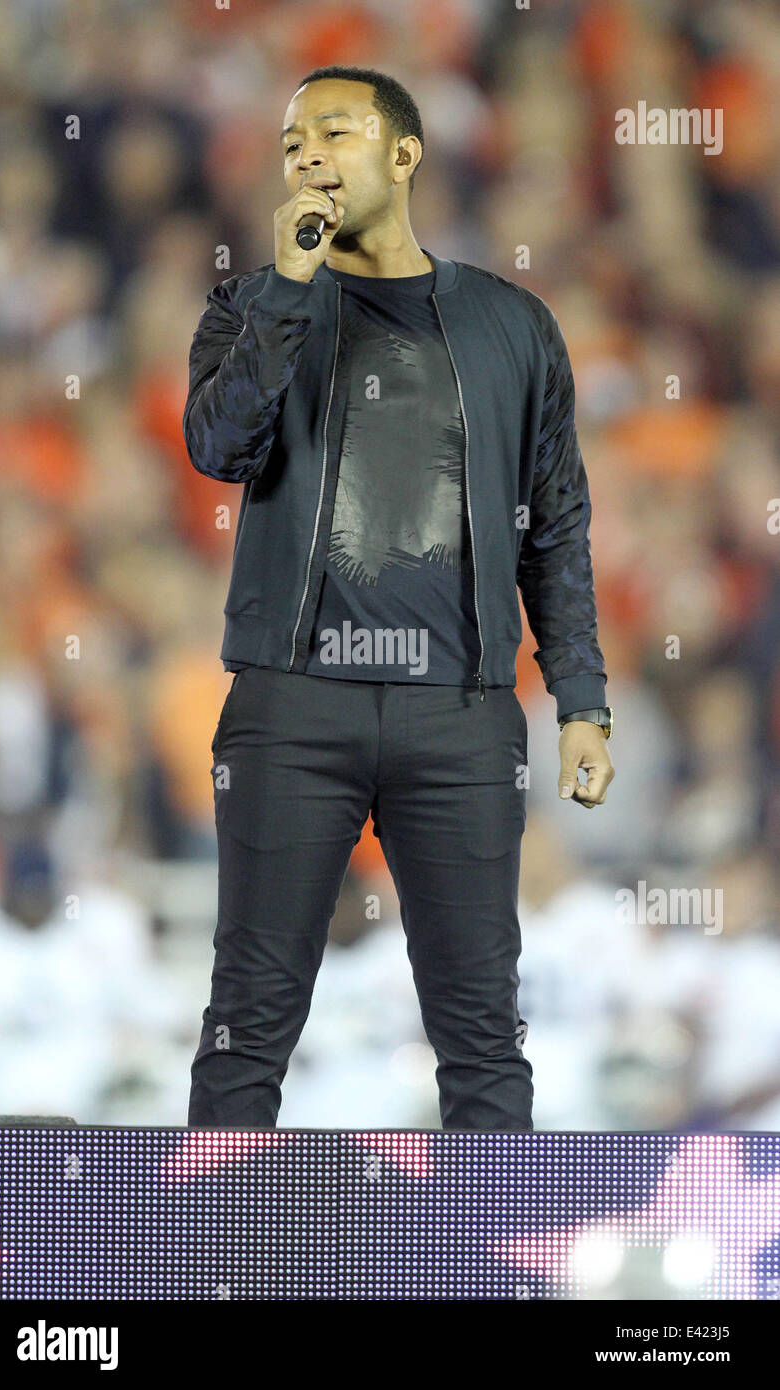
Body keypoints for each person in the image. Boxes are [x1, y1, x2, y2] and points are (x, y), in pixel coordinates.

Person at [183, 65, 615, 1132]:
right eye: (289, 143)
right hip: (293, 705)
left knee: (481, 1031)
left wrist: (583, 700)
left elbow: (553, 524)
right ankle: (208, 1273)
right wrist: (286, 293)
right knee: (248, 1019)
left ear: (405, 154)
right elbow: (218, 445)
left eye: (334, 130)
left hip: (459, 715)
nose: (307, 155)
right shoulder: (246, 305)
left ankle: (490, 1272)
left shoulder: (514, 325)